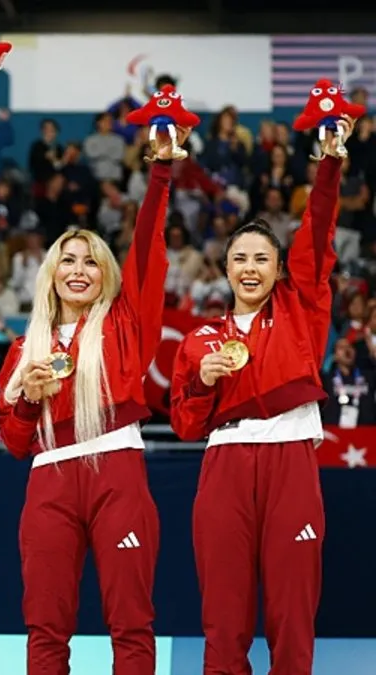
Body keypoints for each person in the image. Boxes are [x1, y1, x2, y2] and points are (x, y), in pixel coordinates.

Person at [0, 127, 187, 674]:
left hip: (116, 473)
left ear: (104, 274)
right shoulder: (22, 349)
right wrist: (30, 399)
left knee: (130, 622)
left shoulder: (125, 326)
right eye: (68, 260)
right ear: (51, 275)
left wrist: (160, 173)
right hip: (49, 481)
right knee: (45, 628)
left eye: (90, 261)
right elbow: (12, 442)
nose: (78, 270)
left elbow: (148, 247)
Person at [169, 119, 349, 675]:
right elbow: (183, 422)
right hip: (224, 464)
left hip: (291, 458)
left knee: (293, 609)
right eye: (240, 259)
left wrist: (329, 167)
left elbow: (316, 234)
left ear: (278, 270)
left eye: (260, 259)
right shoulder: (201, 338)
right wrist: (204, 381)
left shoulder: (303, 309)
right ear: (225, 269)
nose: (250, 268)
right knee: (224, 613)